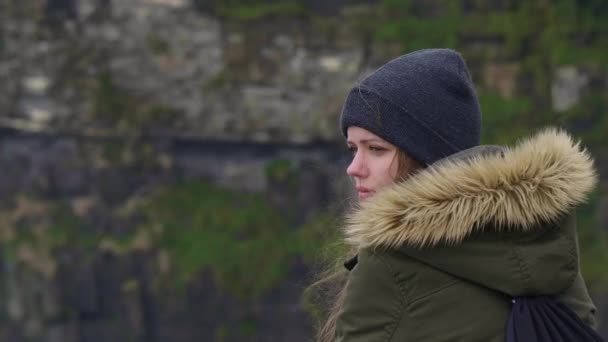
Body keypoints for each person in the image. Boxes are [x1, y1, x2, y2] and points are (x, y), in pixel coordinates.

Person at [313, 48, 600, 341]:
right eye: (353, 149)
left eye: (376, 149)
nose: (354, 168)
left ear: (426, 156)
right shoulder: (546, 244)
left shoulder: (388, 267)